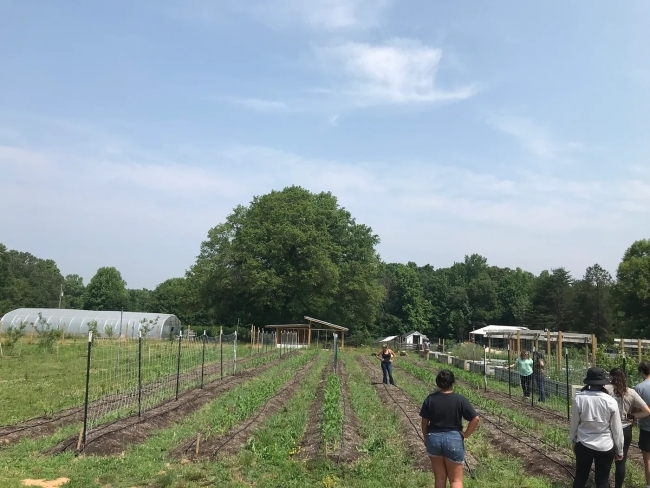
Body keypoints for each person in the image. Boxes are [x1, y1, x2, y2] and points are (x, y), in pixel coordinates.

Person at [420, 369, 480, 488]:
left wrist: (426, 437)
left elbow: (424, 421)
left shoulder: (430, 399)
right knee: (456, 480)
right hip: (453, 439)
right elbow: (475, 419)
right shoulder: (459, 399)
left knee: (440, 477)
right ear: (453, 383)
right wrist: (466, 434)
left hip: (434, 438)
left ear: (438, 383)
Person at [569, 367, 624, 488]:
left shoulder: (579, 398)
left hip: (584, 443)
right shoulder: (610, 401)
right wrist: (619, 449)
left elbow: (574, 423)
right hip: (605, 445)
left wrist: (573, 439)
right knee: (602, 481)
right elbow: (617, 429)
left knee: (580, 478)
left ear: (588, 381)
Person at [607, 368, 650, 488]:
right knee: (621, 460)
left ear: (611, 377)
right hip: (625, 429)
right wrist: (632, 416)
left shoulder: (606, 390)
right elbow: (647, 411)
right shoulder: (631, 392)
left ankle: (603, 483)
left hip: (609, 429)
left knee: (606, 459)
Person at [634, 360, 650, 488]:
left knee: (648, 461)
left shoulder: (639, 388)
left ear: (641, 372)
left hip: (646, 429)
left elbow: (636, 409)